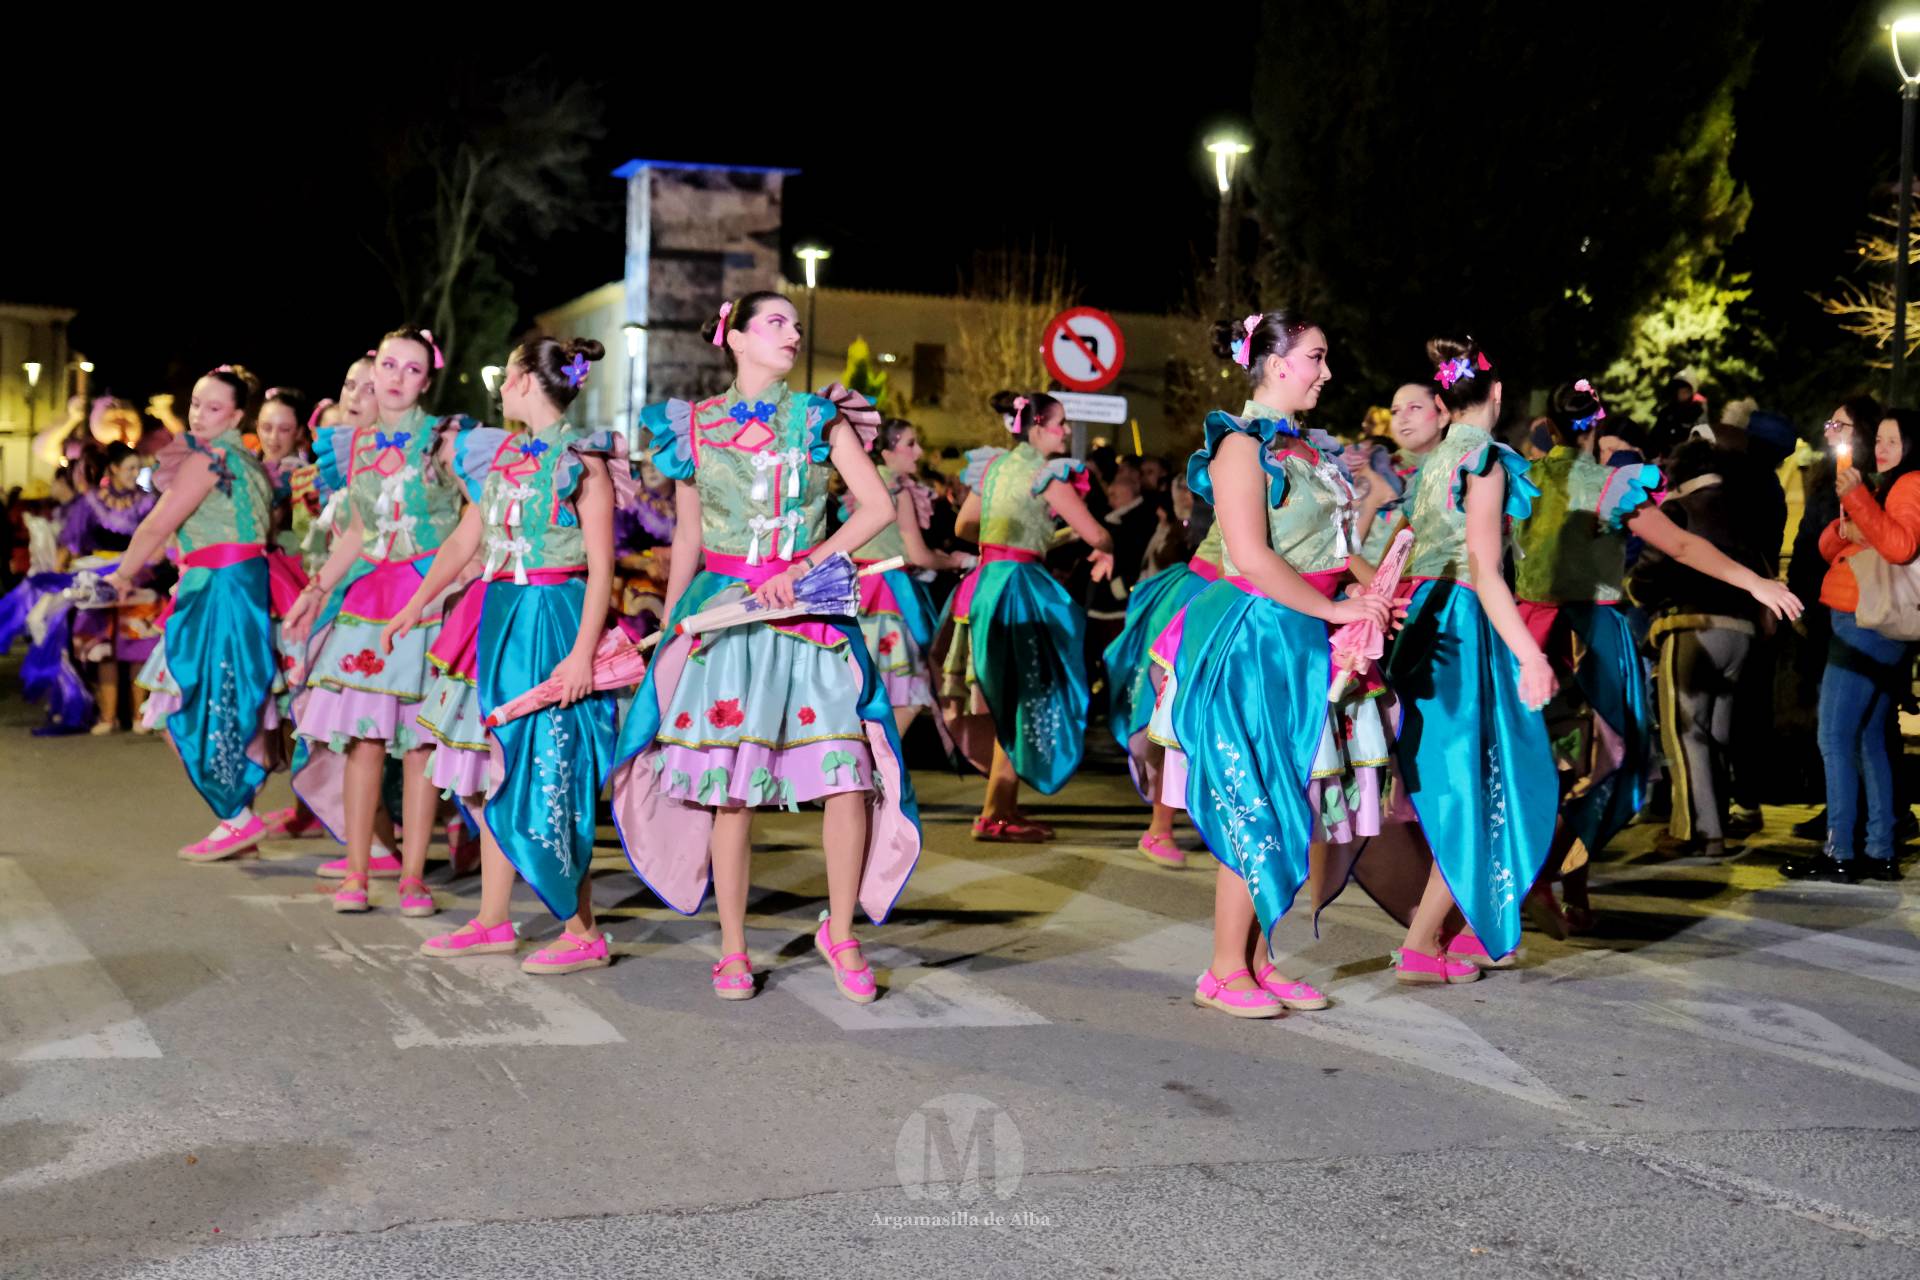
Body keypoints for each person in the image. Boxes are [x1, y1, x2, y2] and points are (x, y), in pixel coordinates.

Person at [608, 291, 918, 1003]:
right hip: (725, 621)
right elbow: (689, 537)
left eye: (795, 324)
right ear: (737, 339)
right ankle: (733, 946)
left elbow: (875, 508)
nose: (792, 334)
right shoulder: (691, 426)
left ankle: (841, 932)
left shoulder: (819, 417)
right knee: (732, 790)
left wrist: (804, 567)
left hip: (809, 616)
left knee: (846, 777)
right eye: (775, 322)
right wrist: (673, 622)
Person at [1148, 311, 1395, 1017]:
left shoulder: (1303, 449)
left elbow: (1332, 552)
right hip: (1253, 639)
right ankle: (1224, 969)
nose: (1326, 371)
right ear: (1276, 362)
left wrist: (1374, 593)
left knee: (1292, 801)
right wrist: (1336, 610)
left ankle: (1258, 960)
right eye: (1317, 356)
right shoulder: (1238, 445)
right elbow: (1252, 558)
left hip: (1300, 637)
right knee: (1252, 798)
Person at [392, 337, 629, 966]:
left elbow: (602, 569)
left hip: (554, 619)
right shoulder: (501, 456)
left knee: (553, 768)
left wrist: (581, 655)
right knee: (499, 764)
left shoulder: (583, 461)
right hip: (500, 619)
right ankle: (494, 919)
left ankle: (584, 932)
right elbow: (464, 540)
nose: (500, 384)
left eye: (507, 373)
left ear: (525, 380)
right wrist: (415, 604)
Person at [1355, 338, 1557, 981]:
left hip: (1424, 621)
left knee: (1453, 781)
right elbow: (1485, 571)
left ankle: (1467, 926)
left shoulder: (1436, 461)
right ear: (1497, 395)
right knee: (1479, 782)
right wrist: (1530, 655)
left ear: (1444, 403)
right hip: (1464, 627)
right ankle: (1422, 944)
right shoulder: (1486, 461)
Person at [281, 329, 470, 912]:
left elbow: (477, 515)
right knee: (363, 742)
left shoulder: (445, 440)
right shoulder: (354, 443)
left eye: (411, 369)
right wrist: (316, 589)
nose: (396, 378)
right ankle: (357, 874)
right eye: (389, 365)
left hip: (428, 602)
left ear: (427, 381)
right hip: (368, 603)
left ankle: (413, 876)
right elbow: (358, 533)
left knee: (418, 746)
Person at [931, 392, 1114, 841]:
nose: (1066, 431)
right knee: (1023, 697)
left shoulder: (993, 467)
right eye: (1060, 423)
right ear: (1036, 427)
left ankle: (1000, 808)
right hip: (1019, 589)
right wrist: (1100, 547)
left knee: (1005, 697)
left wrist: (1022, 536)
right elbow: (1097, 533)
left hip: (984, 586)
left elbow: (964, 527)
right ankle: (995, 814)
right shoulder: (1048, 474)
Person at [116, 367, 283, 857]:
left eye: (213, 407)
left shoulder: (207, 460)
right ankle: (236, 817)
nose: (199, 414)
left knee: (182, 700)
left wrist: (121, 575)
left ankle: (236, 816)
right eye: (195, 403)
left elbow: (156, 525)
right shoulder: (247, 461)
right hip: (242, 586)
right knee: (227, 697)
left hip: (217, 590)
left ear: (235, 415)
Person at [1785, 409, 1920, 882]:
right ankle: (1879, 850)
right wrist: (1848, 523)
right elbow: (1833, 547)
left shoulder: (1910, 484)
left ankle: (1839, 850)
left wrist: (1858, 500)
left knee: (1834, 736)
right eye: (1878, 439)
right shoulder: (1886, 488)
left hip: (1866, 623)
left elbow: (1900, 546)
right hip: (1866, 620)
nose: (1881, 449)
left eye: (1892, 441)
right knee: (1867, 738)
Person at [842, 418, 972, 737]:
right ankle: (877, 761)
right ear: (887, 452)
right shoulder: (898, 489)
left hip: (857, 592)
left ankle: (862, 756)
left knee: (861, 687)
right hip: (888, 592)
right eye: (910, 444)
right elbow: (918, 555)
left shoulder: (863, 482)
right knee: (910, 689)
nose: (919, 452)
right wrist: (959, 560)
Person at [60, 441, 162, 733]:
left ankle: (140, 716)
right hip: (99, 581)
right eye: (129, 468)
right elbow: (71, 539)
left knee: (139, 644)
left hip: (139, 579)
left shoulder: (148, 501)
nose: (135, 473)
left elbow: (159, 538)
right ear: (113, 469)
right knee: (101, 648)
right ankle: (108, 717)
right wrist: (58, 573)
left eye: (137, 468)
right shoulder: (91, 501)